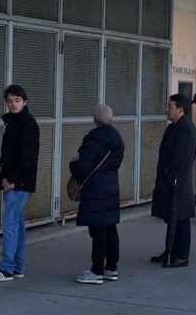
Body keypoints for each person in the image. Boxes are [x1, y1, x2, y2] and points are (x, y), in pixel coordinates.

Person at [0, 85, 40, 282]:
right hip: (15, 181)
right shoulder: (14, 123)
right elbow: (12, 154)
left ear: (24, 101)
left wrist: (12, 181)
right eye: (9, 100)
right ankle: (17, 266)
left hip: (19, 184)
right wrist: (0, 164)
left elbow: (28, 159)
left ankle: (7, 268)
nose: (13, 104)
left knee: (9, 225)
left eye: (17, 100)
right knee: (17, 226)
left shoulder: (27, 124)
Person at [71, 105, 125, 285]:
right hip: (111, 187)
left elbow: (83, 168)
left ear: (95, 120)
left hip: (95, 190)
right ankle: (111, 267)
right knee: (110, 228)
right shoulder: (117, 138)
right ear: (111, 119)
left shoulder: (93, 140)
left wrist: (73, 163)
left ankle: (96, 270)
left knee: (98, 230)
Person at [150, 94, 196, 268]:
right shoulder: (173, 127)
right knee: (171, 217)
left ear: (180, 109)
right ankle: (170, 249)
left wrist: (170, 173)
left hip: (178, 181)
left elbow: (181, 157)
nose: (167, 109)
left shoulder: (186, 129)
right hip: (169, 179)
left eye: (170, 106)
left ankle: (181, 255)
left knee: (181, 217)